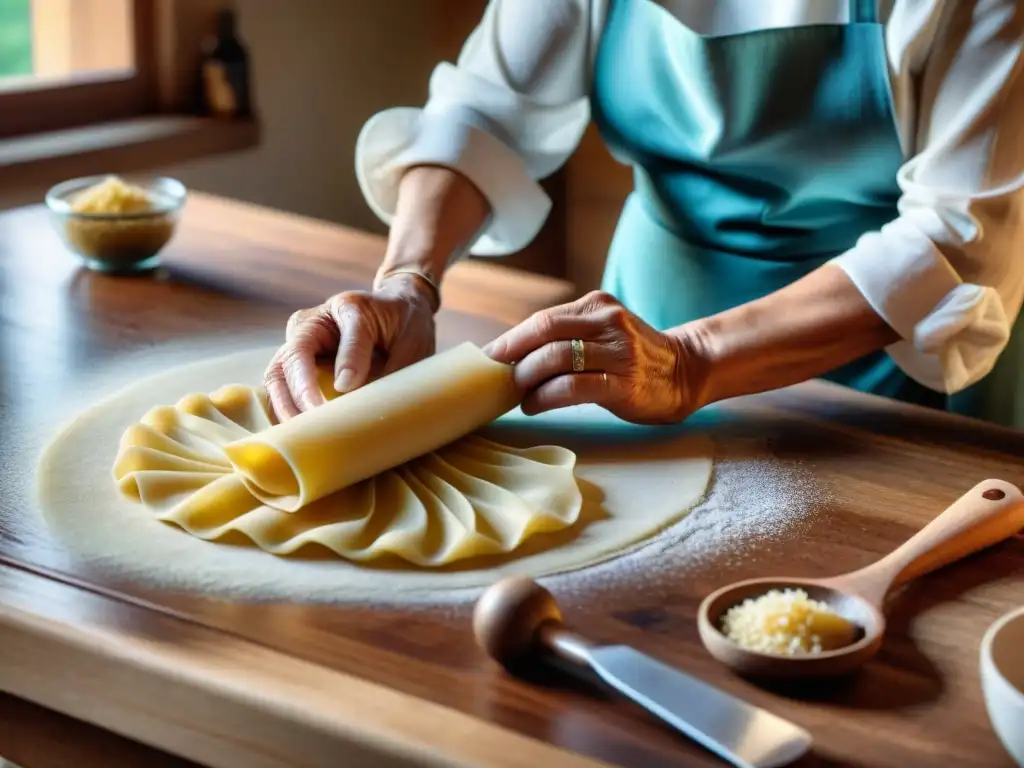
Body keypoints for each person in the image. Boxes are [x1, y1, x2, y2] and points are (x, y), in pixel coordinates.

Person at [265, 0, 1024, 429]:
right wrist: (408, 281)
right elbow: (485, 114)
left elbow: (958, 241)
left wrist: (692, 361)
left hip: (885, 375)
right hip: (633, 345)